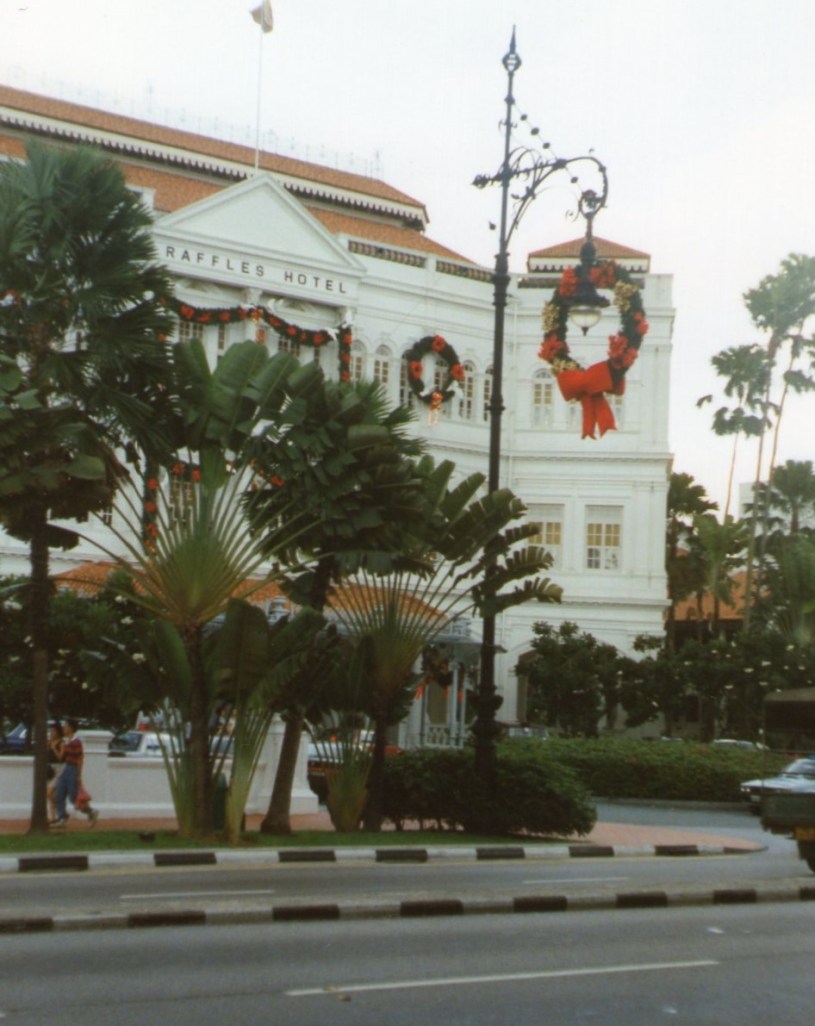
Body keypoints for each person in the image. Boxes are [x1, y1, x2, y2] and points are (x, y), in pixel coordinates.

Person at [52, 719, 98, 828]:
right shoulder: (67, 741)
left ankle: (90, 812)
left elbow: (80, 758)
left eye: (66, 726)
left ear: (71, 728)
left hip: (73, 769)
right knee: (59, 794)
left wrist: (79, 775)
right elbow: (61, 757)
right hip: (66, 768)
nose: (64, 728)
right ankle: (62, 818)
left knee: (74, 797)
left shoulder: (76, 742)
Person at [46, 723, 64, 824]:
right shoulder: (49, 742)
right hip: (49, 769)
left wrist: (54, 748)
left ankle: (59, 812)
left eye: (54, 731)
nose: (52, 733)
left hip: (57, 769)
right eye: (51, 731)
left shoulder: (61, 743)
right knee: (48, 794)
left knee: (50, 793)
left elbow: (60, 757)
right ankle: (52, 816)